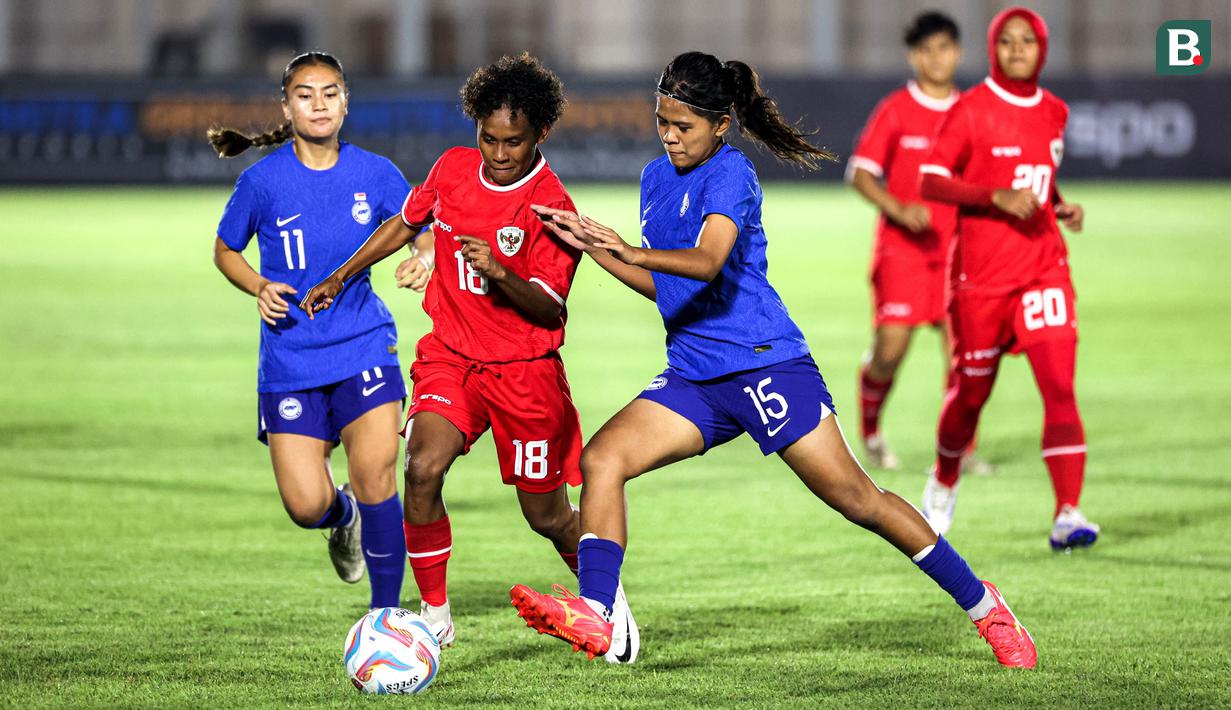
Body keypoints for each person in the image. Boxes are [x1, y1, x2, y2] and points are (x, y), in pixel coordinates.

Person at [509, 51, 1037, 669]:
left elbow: (706, 263)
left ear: (721, 125)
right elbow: (669, 286)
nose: (671, 137)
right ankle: (597, 615)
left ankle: (985, 607)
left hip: (765, 365)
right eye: (663, 122)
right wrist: (593, 246)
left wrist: (626, 247)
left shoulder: (731, 174)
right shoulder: (656, 178)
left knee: (858, 500)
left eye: (685, 126)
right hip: (696, 375)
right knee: (602, 460)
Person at [299, 53, 638, 662]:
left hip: (526, 375)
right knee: (422, 467)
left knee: (547, 514)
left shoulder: (552, 207)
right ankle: (435, 618)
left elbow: (548, 310)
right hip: (452, 358)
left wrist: (503, 274)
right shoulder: (452, 170)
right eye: (489, 138)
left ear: (540, 135)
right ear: (474, 128)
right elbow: (406, 224)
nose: (500, 153)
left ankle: (603, 599)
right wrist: (341, 276)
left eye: (514, 142)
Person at [210, 51, 409, 610]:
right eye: (305, 94)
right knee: (305, 506)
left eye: (329, 92)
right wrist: (257, 285)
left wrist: (422, 257)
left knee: (376, 474)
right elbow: (226, 250)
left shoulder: (375, 172)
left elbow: (417, 226)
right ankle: (342, 518)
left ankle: (385, 615)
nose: (317, 103)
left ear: (346, 102)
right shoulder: (261, 182)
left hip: (364, 345)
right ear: (287, 104)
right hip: (291, 359)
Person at [917, 7, 1100, 550]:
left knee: (1060, 385)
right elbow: (930, 179)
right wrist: (992, 197)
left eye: (1028, 41)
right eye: (1007, 41)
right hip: (981, 277)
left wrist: (1061, 205)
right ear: (993, 49)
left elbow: (1037, 176)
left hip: (1043, 266)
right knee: (971, 394)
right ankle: (945, 478)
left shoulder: (1055, 111)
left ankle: (1068, 512)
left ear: (1042, 49)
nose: (1017, 49)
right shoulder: (972, 110)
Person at [847, 12, 990, 475]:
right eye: (926, 50)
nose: (936, 58)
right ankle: (870, 434)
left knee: (963, 357)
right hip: (903, 251)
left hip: (959, 254)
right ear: (913, 56)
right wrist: (898, 208)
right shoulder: (896, 110)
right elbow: (860, 173)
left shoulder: (972, 111)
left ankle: (960, 451)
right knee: (890, 350)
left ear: (959, 53)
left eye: (944, 48)